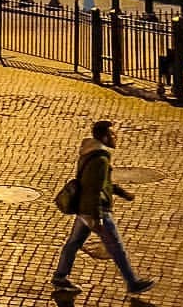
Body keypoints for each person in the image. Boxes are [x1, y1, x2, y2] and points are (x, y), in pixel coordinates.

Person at [52, 120, 156, 297]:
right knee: (116, 247)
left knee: (74, 243)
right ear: (104, 137)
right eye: (113, 134)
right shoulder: (100, 159)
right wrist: (97, 217)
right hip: (96, 210)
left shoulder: (92, 153)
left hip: (85, 210)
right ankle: (133, 283)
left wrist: (122, 193)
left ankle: (60, 276)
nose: (116, 137)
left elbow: (102, 183)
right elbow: (93, 188)